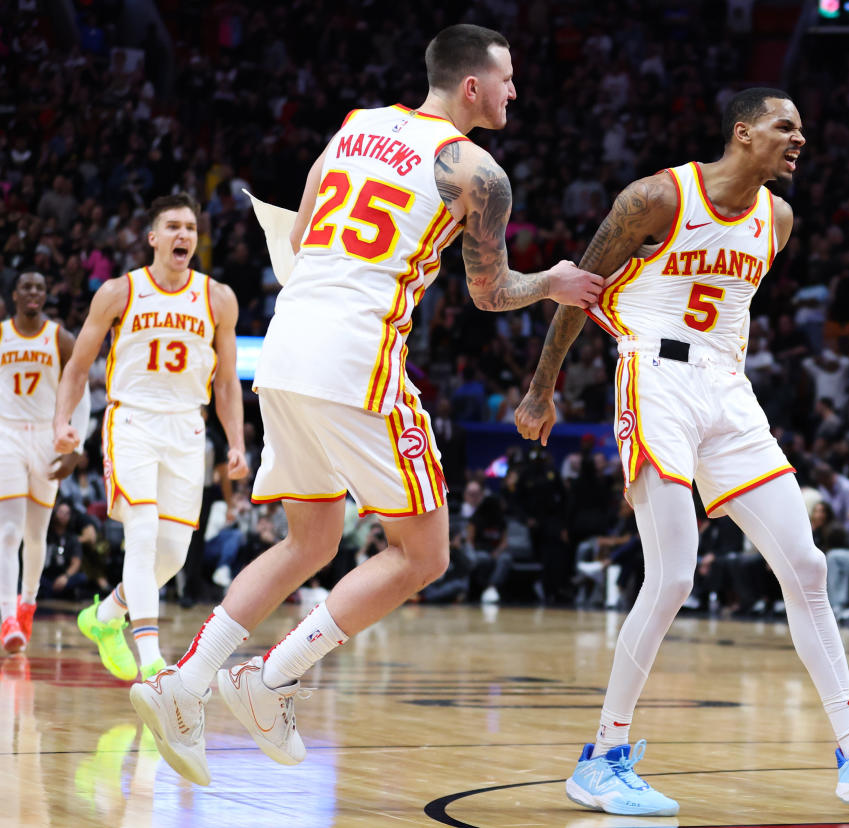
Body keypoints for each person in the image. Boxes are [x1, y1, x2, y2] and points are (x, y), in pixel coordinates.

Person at [126, 24, 601, 787]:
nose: (517, 92)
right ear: (472, 86)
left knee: (307, 543)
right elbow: (488, 292)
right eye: (508, 79)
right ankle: (270, 678)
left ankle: (183, 685)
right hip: (357, 359)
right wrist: (556, 280)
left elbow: (308, 224)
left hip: (283, 349)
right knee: (425, 554)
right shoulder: (478, 171)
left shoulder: (357, 126)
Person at [515, 87, 849, 817]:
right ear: (743, 133)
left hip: (728, 387)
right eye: (787, 125)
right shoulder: (654, 197)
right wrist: (541, 389)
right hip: (653, 373)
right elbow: (578, 292)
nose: (799, 138)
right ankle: (602, 758)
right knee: (674, 575)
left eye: (802, 127)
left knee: (807, 564)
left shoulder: (777, 220)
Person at [53, 193, 249, 682]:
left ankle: (104, 617)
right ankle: (153, 663)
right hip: (132, 421)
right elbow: (77, 366)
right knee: (140, 534)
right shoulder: (120, 292)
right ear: (153, 238)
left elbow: (225, 382)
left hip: (187, 427)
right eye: (174, 227)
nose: (184, 235)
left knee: (172, 555)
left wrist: (237, 444)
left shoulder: (218, 298)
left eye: (191, 228)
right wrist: (63, 424)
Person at [0, 271, 90, 651]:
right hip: (7, 434)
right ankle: (7, 618)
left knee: (36, 535)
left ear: (45, 294)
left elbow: (81, 390)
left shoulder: (60, 337)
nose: (33, 292)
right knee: (8, 532)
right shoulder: (2, 333)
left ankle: (28, 603)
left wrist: (76, 447)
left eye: (40, 286)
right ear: (15, 295)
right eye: (27, 287)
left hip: (47, 436)